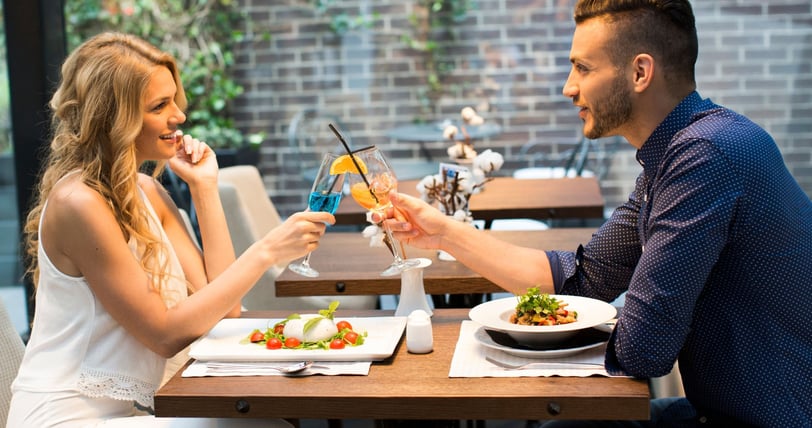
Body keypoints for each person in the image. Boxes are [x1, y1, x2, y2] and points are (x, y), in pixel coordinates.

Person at [384, 1, 812, 426]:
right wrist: (442, 233)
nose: (569, 87)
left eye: (583, 68)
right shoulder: (677, 154)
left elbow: (644, 350)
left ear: (640, 73)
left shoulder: (705, 155)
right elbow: (583, 279)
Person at [7, 32, 333, 427]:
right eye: (160, 105)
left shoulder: (147, 191)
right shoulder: (79, 203)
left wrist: (204, 188)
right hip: (62, 417)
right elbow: (164, 334)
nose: (178, 115)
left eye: (174, 100)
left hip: (120, 415)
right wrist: (265, 251)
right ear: (115, 118)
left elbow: (224, 310)